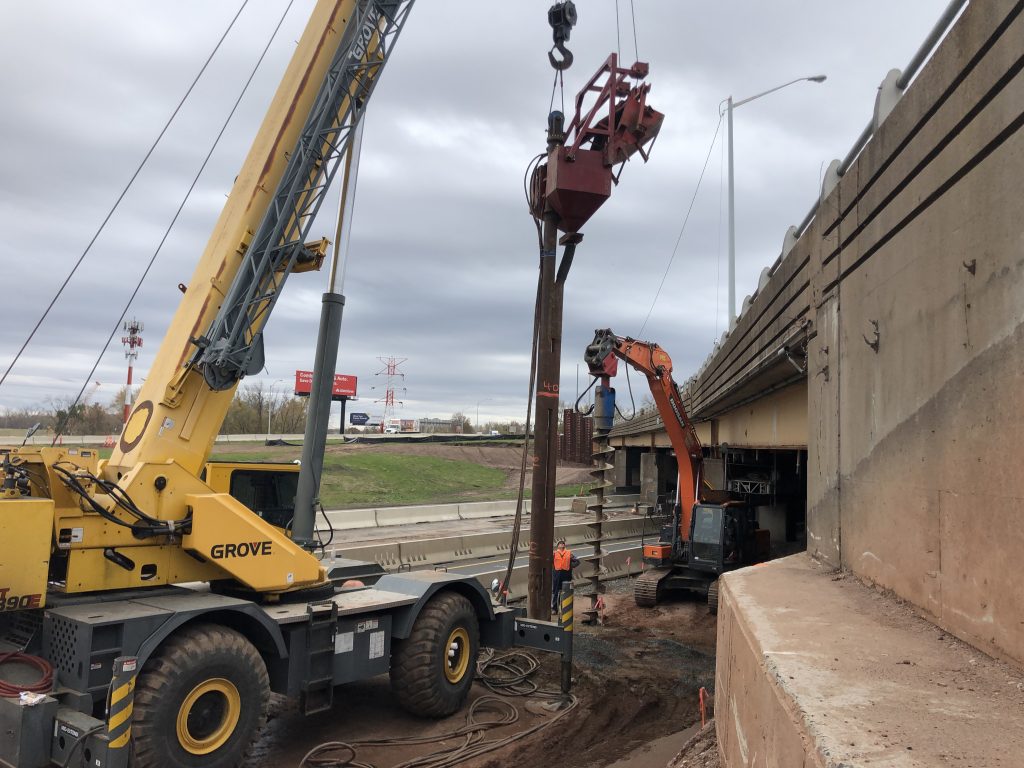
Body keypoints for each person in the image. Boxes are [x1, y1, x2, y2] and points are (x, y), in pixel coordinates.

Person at [552, 539, 575, 612]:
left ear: (564, 545)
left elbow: (577, 561)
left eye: (563, 543)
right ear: (557, 546)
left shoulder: (569, 553)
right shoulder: (554, 553)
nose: (562, 544)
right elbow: (550, 562)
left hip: (566, 573)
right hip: (557, 574)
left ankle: (565, 607)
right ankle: (554, 608)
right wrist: (554, 569)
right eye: (560, 543)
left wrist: (570, 567)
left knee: (566, 591)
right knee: (556, 591)